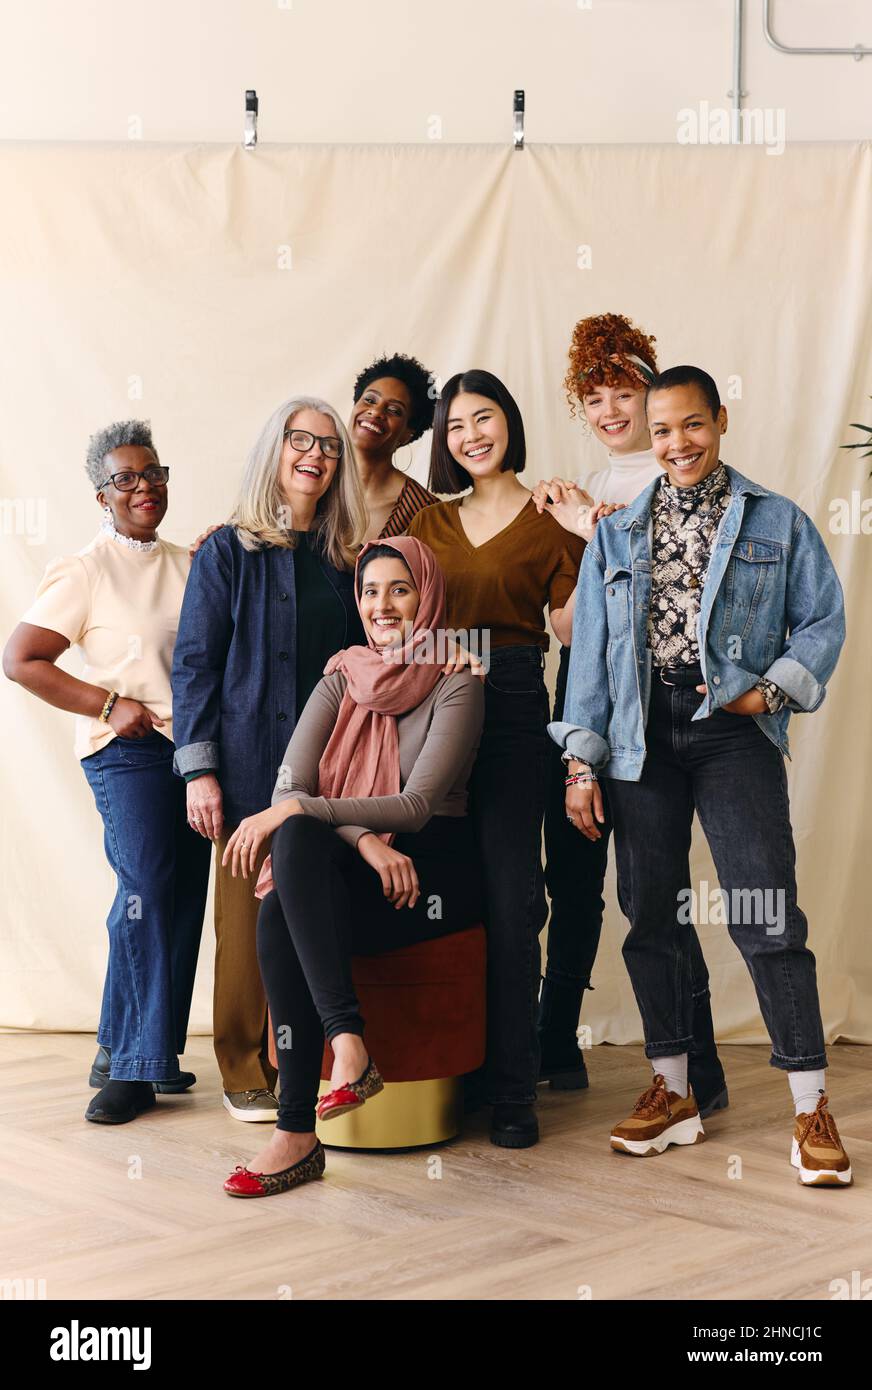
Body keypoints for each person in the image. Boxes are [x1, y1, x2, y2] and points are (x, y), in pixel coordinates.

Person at [550, 365, 851, 1186]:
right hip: (641, 735)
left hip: (730, 731)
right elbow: (592, 662)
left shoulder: (775, 520)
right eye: (661, 431)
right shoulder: (616, 534)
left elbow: (823, 618)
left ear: (719, 420)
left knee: (766, 912)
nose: (677, 444)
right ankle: (675, 1090)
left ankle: (808, 1105)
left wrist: (772, 689)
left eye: (691, 426)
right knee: (649, 909)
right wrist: (582, 760)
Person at [221, 536, 485, 1198]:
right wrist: (365, 839)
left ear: (426, 595)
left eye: (400, 589)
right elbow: (290, 784)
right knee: (293, 853)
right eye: (370, 592)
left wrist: (318, 817)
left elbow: (419, 804)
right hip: (362, 861)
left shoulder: (458, 677)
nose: (383, 605)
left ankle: (295, 1135)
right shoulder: (342, 673)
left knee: (290, 869)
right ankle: (347, 1047)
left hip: (429, 879)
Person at [531, 313, 726, 1115]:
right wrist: (576, 531)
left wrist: (594, 530)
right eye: (596, 397)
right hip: (583, 700)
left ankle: (696, 1070)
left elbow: (669, 608)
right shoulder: (582, 488)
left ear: (654, 395)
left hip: (655, 703)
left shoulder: (680, 472)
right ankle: (555, 1045)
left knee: (658, 894)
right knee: (572, 880)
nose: (612, 411)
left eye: (625, 392)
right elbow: (571, 630)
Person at [2, 420, 211, 1124]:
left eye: (153, 472)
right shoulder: (85, 569)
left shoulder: (191, 563)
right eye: (125, 478)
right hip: (127, 753)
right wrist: (107, 702)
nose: (144, 486)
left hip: (191, 753)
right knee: (145, 889)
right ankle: (132, 1068)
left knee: (180, 897)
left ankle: (136, 1048)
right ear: (102, 495)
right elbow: (21, 658)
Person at [170, 397, 369, 1121]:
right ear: (274, 451)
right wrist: (200, 771)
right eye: (300, 440)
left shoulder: (344, 560)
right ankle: (241, 1067)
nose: (315, 454)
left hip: (325, 778)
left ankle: (310, 1064)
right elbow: (194, 665)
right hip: (246, 765)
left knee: (299, 916)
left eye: (329, 445)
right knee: (242, 927)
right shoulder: (226, 551)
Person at [408, 370, 585, 1148]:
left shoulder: (548, 519)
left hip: (515, 708)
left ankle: (514, 1089)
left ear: (509, 424)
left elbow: (573, 630)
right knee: (447, 895)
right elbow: (392, 611)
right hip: (436, 706)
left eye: (485, 419)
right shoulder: (430, 523)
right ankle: (457, 1071)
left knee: (515, 898)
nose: (471, 435)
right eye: (455, 426)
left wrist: (592, 528)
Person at [348, 352, 440, 540]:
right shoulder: (316, 482)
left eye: (394, 410)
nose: (376, 412)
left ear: (408, 434)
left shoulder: (423, 512)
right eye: (370, 400)